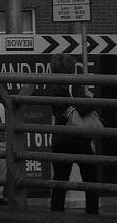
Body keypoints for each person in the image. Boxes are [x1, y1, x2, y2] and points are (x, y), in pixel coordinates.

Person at [50, 80, 101, 215]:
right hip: (80, 139)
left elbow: (58, 112)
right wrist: (82, 100)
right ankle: (92, 212)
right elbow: (86, 107)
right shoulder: (76, 86)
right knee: (90, 177)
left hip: (60, 140)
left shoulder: (52, 87)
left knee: (60, 179)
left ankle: (56, 213)